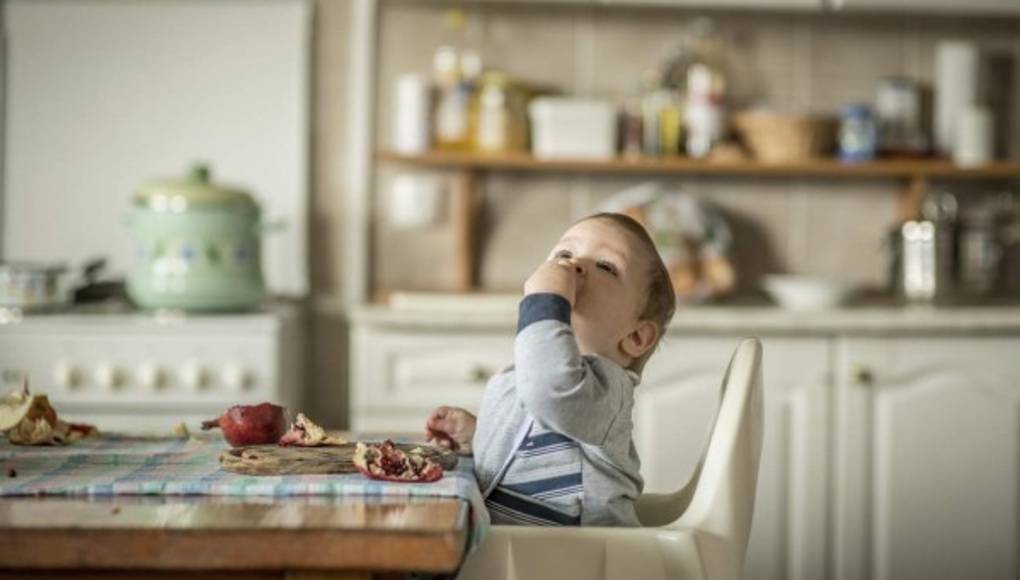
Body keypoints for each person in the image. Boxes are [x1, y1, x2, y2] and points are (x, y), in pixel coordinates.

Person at [426, 212, 676, 526]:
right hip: (525, 553)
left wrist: (547, 300)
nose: (575, 266)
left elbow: (550, 391)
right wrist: (481, 437)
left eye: (606, 266)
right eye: (565, 254)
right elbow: (536, 439)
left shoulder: (609, 389)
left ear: (636, 336)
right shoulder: (538, 375)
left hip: (583, 560)